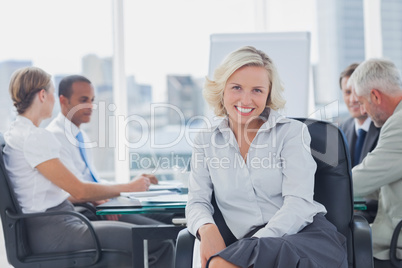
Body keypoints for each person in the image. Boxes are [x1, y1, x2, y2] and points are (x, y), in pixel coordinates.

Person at [186, 46, 347, 268]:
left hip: (303, 236)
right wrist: (206, 227)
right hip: (249, 244)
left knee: (221, 265)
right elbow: (197, 201)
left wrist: (252, 246)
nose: (246, 99)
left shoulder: (291, 132)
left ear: (269, 94)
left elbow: (298, 203)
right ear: (221, 89)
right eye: (236, 87)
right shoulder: (206, 140)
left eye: (257, 90)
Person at [3, 67, 174, 267]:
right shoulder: (34, 137)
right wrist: (128, 187)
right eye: (50, 93)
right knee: (159, 240)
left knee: (151, 238)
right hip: (56, 229)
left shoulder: (16, 133)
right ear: (43, 95)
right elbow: (80, 190)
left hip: (55, 223)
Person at [46, 74, 174, 225]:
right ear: (63, 101)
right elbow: (73, 190)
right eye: (83, 100)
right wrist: (120, 191)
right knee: (161, 232)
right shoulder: (54, 137)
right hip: (88, 212)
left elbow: (93, 180)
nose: (90, 106)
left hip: (102, 204)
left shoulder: (81, 136)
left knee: (172, 219)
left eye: (92, 100)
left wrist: (132, 184)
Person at [349, 58, 402, 266]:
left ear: (375, 96)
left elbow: (365, 177)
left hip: (393, 246)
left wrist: (322, 187)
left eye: (362, 102)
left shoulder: (398, 124)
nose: (363, 111)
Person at [339, 63, 380, 223]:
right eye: (347, 92)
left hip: (375, 215)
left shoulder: (385, 128)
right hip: (345, 211)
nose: (353, 99)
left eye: (356, 92)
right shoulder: (342, 128)